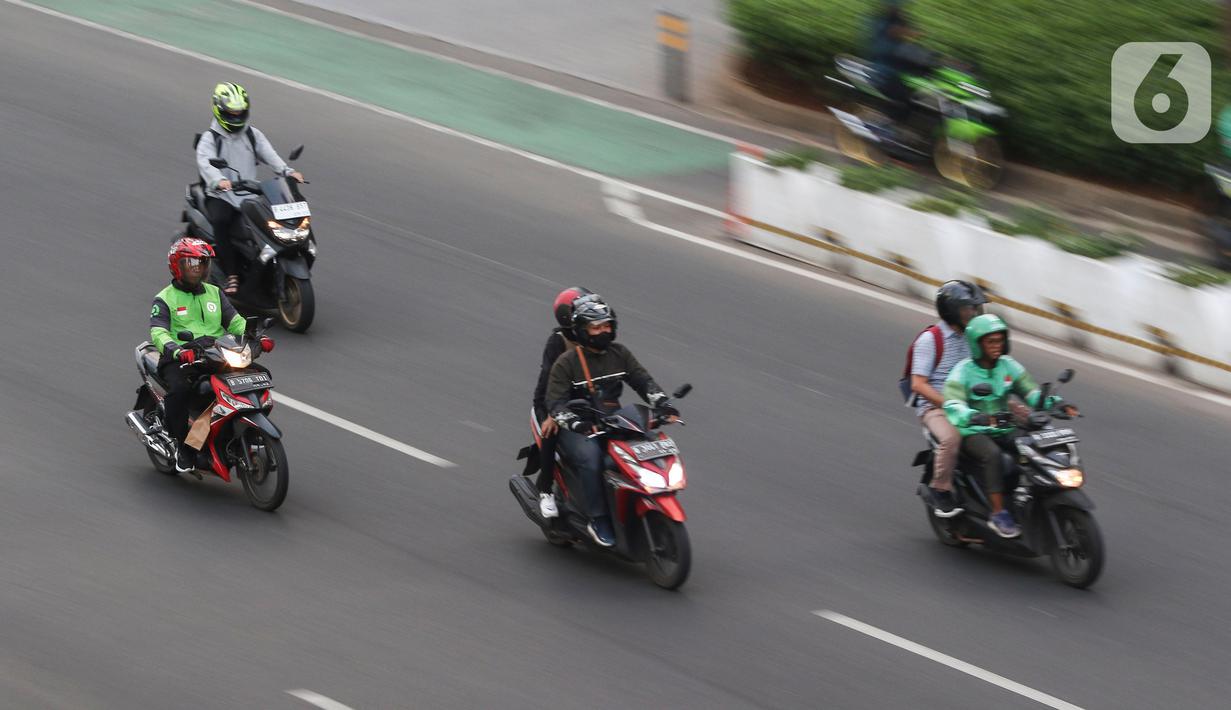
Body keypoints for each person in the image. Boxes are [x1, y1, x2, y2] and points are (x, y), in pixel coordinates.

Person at [544, 299, 678, 547]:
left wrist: (662, 405)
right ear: (582, 330)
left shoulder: (620, 354)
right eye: (596, 327)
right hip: (578, 428)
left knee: (641, 449)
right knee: (592, 458)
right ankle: (599, 519)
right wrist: (579, 425)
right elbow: (556, 406)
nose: (604, 331)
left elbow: (643, 381)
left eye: (607, 325)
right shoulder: (567, 363)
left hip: (611, 420)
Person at [942, 315, 1078, 538]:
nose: (997, 347)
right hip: (974, 432)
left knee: (1035, 445)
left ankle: (1034, 496)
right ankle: (998, 513)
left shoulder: (1008, 365)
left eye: (1000, 341)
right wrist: (975, 417)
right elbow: (953, 404)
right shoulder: (963, 371)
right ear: (978, 345)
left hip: (1004, 426)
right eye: (991, 342)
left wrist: (1058, 405)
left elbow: (1031, 392)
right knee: (994, 455)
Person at [149, 237, 274, 473]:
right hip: (181, 357)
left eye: (202, 263)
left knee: (261, 375)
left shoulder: (215, 293)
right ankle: (184, 446)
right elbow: (158, 331)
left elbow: (235, 321)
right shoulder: (165, 298)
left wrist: (257, 337)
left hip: (215, 353)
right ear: (178, 266)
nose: (198, 269)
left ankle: (249, 430)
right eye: (192, 263)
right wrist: (176, 350)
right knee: (180, 391)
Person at [196, 82, 305, 296]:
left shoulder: (252, 134)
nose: (236, 118)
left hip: (249, 194)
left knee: (270, 223)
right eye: (231, 113)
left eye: (240, 113)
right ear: (219, 110)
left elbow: (270, 155)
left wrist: (287, 171)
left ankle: (266, 267)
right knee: (221, 222)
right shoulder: (210, 139)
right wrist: (218, 180)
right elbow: (206, 164)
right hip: (221, 195)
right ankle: (231, 274)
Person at [910, 280, 986, 517]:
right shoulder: (931, 339)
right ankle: (939, 489)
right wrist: (950, 404)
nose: (974, 313)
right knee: (951, 438)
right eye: (968, 309)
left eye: (976, 308)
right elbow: (918, 384)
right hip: (935, 407)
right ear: (952, 310)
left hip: (969, 401)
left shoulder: (972, 337)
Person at [530, 286, 603, 519]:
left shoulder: (595, 337)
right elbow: (549, 383)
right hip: (552, 402)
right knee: (551, 431)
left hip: (585, 401)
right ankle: (545, 490)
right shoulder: (558, 343)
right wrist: (553, 413)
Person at [865, 0, 934, 125]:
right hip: (884, 70)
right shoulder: (882, 21)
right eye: (897, 7)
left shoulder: (900, 21)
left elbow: (908, 40)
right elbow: (895, 32)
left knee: (922, 94)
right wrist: (912, 33)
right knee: (907, 97)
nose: (901, 10)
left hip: (900, 68)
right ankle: (885, 125)